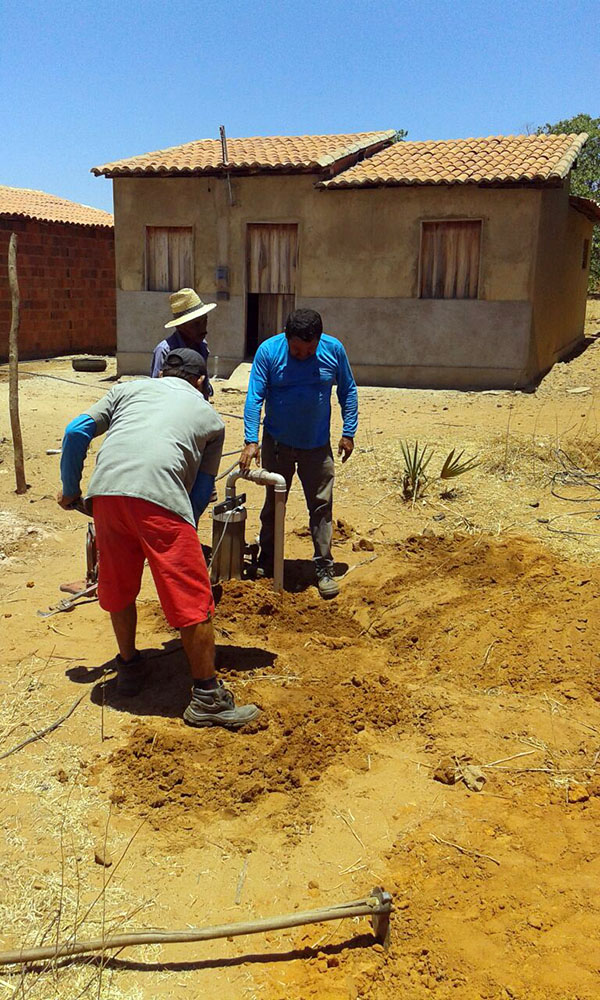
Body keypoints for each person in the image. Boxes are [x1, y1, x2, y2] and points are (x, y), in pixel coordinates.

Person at [58, 347, 259, 730]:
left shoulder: (127, 391)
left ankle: (129, 667)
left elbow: (75, 431)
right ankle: (206, 698)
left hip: (106, 495)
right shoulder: (211, 419)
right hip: (161, 500)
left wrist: (70, 489)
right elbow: (200, 492)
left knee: (118, 586)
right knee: (192, 597)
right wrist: (183, 532)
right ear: (201, 382)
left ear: (163, 372)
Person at [239, 308, 358, 599]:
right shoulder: (269, 352)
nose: (303, 354)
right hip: (278, 443)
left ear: (319, 340)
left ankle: (323, 567)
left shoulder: (334, 350)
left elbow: (348, 390)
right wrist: (251, 440)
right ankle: (268, 561)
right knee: (273, 504)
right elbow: (255, 396)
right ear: (286, 338)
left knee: (321, 506)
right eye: (296, 349)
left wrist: (348, 432)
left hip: (316, 446)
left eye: (309, 349)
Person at [150, 288, 216, 394]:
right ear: (181, 326)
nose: (203, 327)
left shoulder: (202, 346)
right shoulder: (164, 351)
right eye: (196, 324)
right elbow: (157, 390)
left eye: (205, 320)